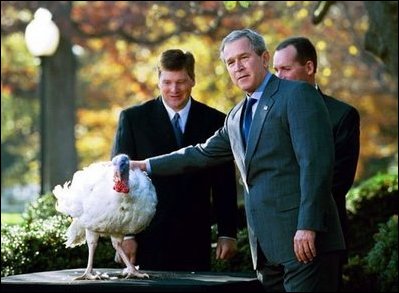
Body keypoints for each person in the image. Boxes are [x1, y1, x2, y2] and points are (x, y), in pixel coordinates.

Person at [129, 29, 346, 292]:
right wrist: (145, 165)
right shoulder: (235, 115)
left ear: (264, 58)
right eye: (230, 62)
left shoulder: (297, 95)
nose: (238, 67)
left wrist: (308, 226)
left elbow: (315, 165)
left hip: (305, 244)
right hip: (267, 252)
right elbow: (201, 153)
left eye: (244, 57)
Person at [111, 49, 238, 271]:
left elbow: (224, 183)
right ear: (158, 80)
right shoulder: (133, 120)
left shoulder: (216, 121)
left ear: (193, 80)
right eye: (167, 82)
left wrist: (227, 232)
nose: (174, 89)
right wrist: (126, 233)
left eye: (181, 82)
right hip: (146, 236)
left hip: (195, 234)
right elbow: (121, 181)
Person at [272, 36, 360, 289]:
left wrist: (304, 221)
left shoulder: (341, 114)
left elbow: (338, 180)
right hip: (275, 236)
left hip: (322, 234)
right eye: (276, 70)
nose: (279, 77)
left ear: (309, 68)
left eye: (286, 69)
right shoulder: (271, 113)